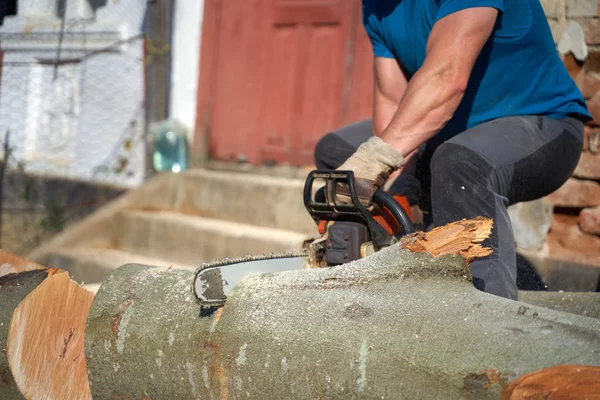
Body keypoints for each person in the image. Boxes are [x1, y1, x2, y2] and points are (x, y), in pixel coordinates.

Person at [314, 0, 591, 300]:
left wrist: (374, 159)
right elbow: (392, 99)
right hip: (452, 125)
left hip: (543, 121)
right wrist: (394, 182)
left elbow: (447, 78)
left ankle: (488, 317)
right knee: (337, 151)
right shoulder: (378, 5)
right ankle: (381, 283)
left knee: (459, 163)